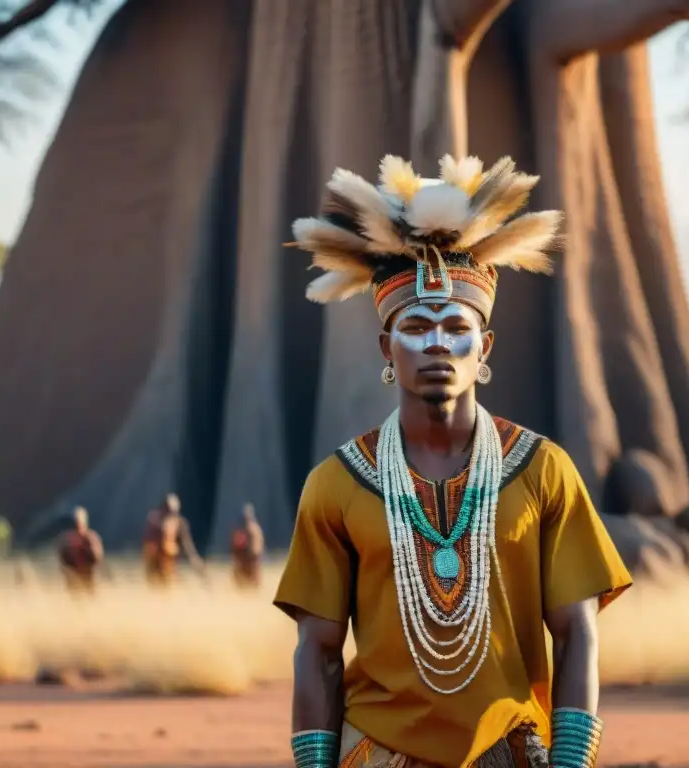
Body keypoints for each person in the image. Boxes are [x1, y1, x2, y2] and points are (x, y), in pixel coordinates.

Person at [274, 155, 633, 768]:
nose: (437, 341)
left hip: (512, 752)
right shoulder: (336, 482)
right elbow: (318, 650)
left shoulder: (543, 469)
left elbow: (577, 633)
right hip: (377, 753)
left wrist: (571, 761)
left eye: (455, 326)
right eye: (415, 325)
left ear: (483, 346)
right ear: (387, 346)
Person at [142, 493, 206, 586]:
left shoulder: (179, 523)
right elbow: (147, 541)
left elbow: (186, 543)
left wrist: (194, 558)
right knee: (154, 583)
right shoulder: (153, 520)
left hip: (168, 560)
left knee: (166, 584)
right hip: (154, 560)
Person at [57, 506, 104, 595]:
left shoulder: (90, 538)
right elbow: (63, 558)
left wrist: (87, 550)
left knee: (90, 597)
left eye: (79, 522)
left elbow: (97, 557)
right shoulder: (66, 540)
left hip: (88, 576)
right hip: (72, 577)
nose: (77, 526)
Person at [231, 502, 265, 588]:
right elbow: (235, 547)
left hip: (252, 561)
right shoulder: (241, 531)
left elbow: (257, 549)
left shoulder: (254, 530)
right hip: (245, 561)